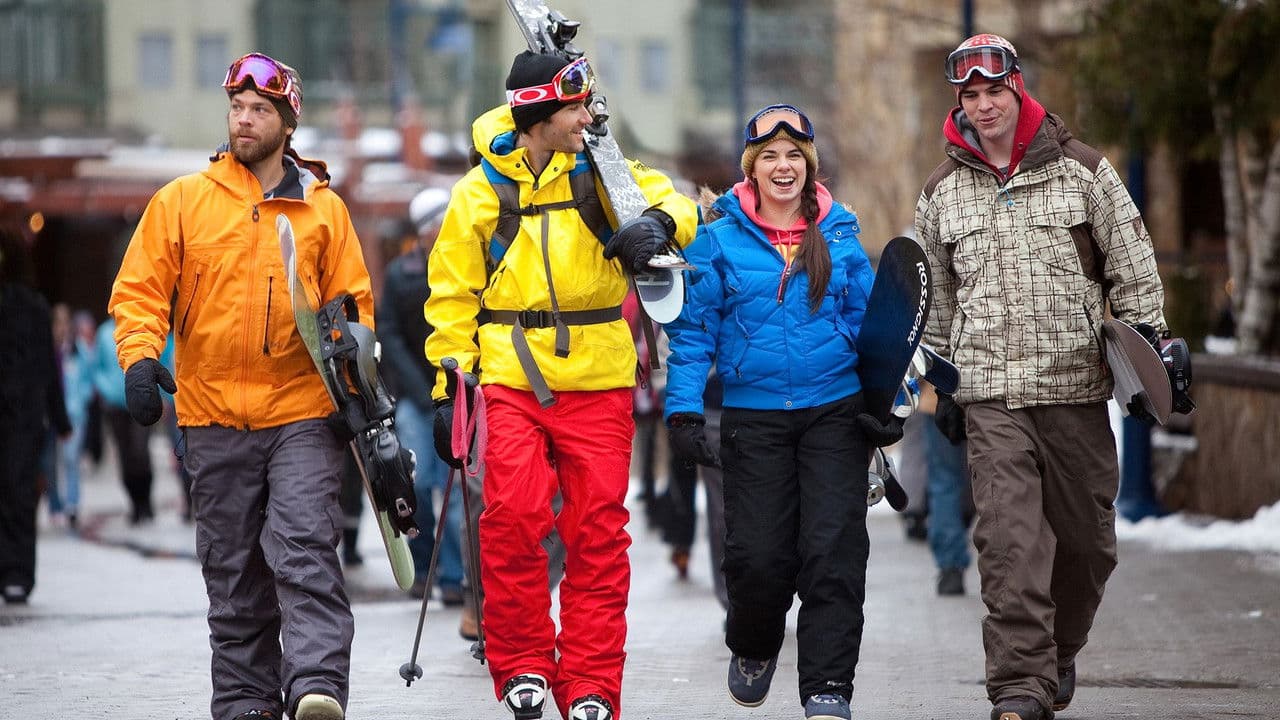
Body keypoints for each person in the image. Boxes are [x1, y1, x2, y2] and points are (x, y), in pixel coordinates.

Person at [425, 50, 697, 720]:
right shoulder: (481, 191)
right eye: (575, 108)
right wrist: (448, 389)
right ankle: (522, 662)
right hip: (511, 376)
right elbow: (451, 298)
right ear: (539, 114)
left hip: (600, 377)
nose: (588, 117)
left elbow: (676, 200)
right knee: (513, 516)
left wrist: (658, 225)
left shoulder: (602, 167)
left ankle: (591, 682)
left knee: (598, 532)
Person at [108, 51, 373, 720]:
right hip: (211, 416)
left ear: (287, 123)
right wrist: (139, 359)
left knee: (305, 550)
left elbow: (355, 308)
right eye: (237, 107)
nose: (244, 119)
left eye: (259, 109)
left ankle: (315, 687)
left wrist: (353, 382)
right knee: (233, 578)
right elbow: (139, 292)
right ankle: (246, 703)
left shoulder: (324, 211)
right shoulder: (182, 202)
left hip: (302, 413)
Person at [914, 33, 1170, 720]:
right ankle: (1019, 687)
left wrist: (1150, 351)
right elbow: (936, 299)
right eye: (971, 95)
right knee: (1009, 545)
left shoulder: (1083, 171)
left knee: (1088, 548)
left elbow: (1134, 270)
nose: (984, 105)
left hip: (1075, 390)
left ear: (1017, 88)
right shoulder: (941, 193)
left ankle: (1057, 653)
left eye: (994, 91)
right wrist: (941, 383)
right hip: (991, 397)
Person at [663, 104, 896, 720]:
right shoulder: (717, 239)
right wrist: (683, 412)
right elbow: (692, 334)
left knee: (833, 554)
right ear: (752, 168)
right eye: (769, 156)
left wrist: (885, 405)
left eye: (794, 155)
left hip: (834, 414)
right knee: (758, 559)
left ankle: (827, 687)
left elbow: (871, 329)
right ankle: (754, 643)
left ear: (809, 166)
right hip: (754, 419)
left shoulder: (839, 234)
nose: (783, 166)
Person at [376, 192, 463, 604]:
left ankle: (455, 577)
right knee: (416, 482)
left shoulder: (466, 265)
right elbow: (390, 334)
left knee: (456, 489)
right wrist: (416, 387)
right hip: (416, 397)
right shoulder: (401, 274)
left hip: (457, 393)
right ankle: (425, 564)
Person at [0, 230, 72, 604]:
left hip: (20, 415)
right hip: (25, 418)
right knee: (19, 493)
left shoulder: (32, 308)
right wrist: (60, 419)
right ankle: (17, 574)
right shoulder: (36, 308)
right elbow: (48, 370)